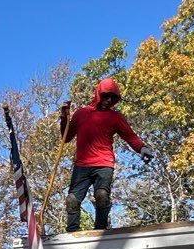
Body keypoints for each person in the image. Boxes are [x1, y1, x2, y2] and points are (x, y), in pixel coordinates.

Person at [59, 78, 155, 232]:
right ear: (98, 95)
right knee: (71, 200)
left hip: (104, 164)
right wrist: (64, 117)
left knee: (102, 195)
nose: (108, 100)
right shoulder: (81, 114)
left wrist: (142, 148)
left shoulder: (115, 117)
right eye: (105, 96)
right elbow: (66, 136)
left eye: (112, 97)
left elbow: (130, 136)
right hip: (82, 165)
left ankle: (100, 230)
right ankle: (72, 232)